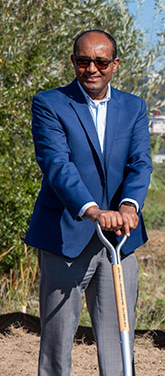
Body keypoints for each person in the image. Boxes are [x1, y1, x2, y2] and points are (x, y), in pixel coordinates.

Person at [26, 29, 152, 376]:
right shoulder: (49, 103)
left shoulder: (134, 107)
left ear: (115, 64)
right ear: (73, 63)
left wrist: (129, 206)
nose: (92, 69)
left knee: (119, 338)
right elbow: (57, 164)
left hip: (120, 239)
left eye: (100, 61)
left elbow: (140, 163)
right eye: (83, 61)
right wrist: (91, 210)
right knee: (57, 339)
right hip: (66, 236)